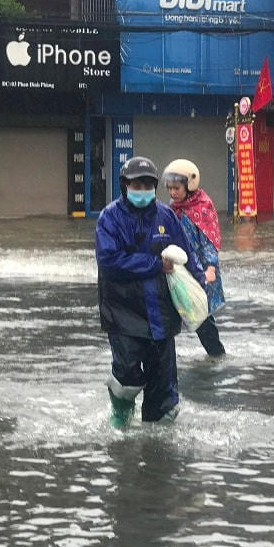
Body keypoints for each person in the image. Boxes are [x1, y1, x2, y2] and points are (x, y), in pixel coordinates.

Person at [96, 155, 206, 428]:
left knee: (163, 390)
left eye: (147, 185)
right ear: (124, 185)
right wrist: (155, 265)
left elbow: (186, 254)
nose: (142, 190)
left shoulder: (165, 216)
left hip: (161, 315)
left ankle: (157, 451)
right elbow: (109, 261)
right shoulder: (110, 218)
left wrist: (200, 283)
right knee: (128, 373)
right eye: (136, 184)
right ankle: (121, 413)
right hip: (123, 312)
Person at [162, 159, 226, 357]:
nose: (173, 193)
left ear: (189, 185)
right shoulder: (173, 208)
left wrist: (210, 268)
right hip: (177, 269)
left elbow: (210, 240)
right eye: (170, 189)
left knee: (201, 315)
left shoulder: (202, 207)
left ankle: (217, 356)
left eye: (177, 188)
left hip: (200, 270)